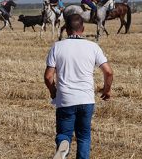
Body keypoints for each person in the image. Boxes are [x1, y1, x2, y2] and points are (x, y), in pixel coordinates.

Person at [44, 14, 113, 159]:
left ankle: (64, 144)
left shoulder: (57, 47)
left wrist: (53, 92)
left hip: (65, 100)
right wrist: (106, 90)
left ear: (67, 29)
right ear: (83, 28)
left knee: (64, 133)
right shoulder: (93, 46)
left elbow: (48, 76)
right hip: (86, 100)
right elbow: (108, 72)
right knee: (84, 137)